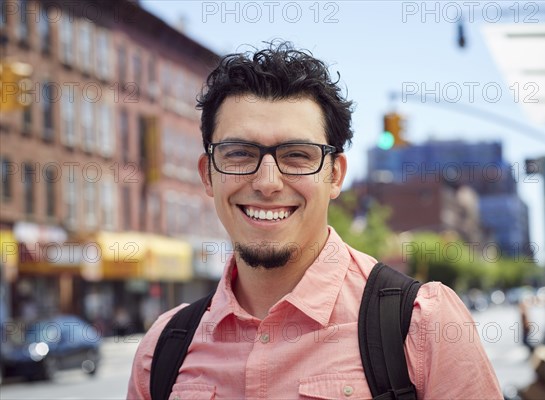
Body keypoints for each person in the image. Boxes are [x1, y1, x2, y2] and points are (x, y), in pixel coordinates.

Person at [128, 42, 503, 399]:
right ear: (208, 174)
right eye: (239, 153)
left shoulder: (422, 325)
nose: (267, 183)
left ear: (335, 176)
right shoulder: (161, 351)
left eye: (297, 155)